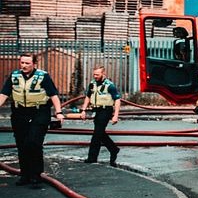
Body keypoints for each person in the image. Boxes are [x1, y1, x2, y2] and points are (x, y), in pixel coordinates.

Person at [0, 53, 65, 187]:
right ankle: (25, 174)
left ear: (34, 64)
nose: (24, 65)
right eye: (22, 62)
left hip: (39, 112)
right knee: (22, 143)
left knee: (34, 142)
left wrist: (59, 113)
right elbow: (4, 94)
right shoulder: (14, 76)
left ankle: (36, 174)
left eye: (27, 63)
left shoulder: (43, 76)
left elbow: (53, 95)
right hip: (19, 112)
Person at [81, 65, 122, 166]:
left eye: (97, 74)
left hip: (106, 110)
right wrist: (83, 110)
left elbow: (117, 100)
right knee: (100, 133)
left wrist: (115, 115)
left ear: (103, 74)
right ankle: (113, 149)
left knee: (96, 134)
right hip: (97, 110)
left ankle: (92, 158)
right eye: (94, 74)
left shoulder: (109, 85)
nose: (95, 76)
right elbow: (88, 97)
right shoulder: (92, 84)